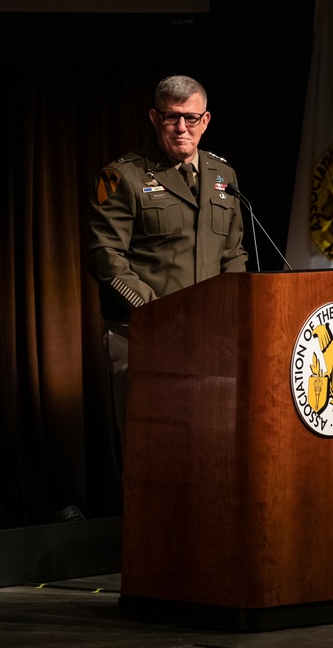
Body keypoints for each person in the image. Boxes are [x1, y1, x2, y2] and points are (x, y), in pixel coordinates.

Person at [86, 75, 247, 444]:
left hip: (211, 336)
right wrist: (159, 314)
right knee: (151, 450)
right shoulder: (122, 176)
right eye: (171, 117)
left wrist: (230, 308)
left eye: (191, 118)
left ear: (205, 121)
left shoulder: (225, 176)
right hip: (144, 332)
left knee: (208, 444)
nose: (181, 128)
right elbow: (105, 256)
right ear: (155, 119)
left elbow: (234, 253)